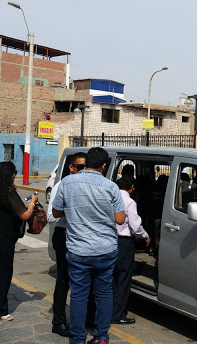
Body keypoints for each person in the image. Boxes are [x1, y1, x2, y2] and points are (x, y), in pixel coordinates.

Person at [52, 147, 125, 344]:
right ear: (103, 165)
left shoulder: (67, 182)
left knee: (79, 296)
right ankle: (101, 336)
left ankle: (77, 338)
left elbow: (56, 212)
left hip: (79, 250)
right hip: (106, 249)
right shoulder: (111, 187)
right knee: (103, 295)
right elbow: (120, 219)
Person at [0, 161, 37, 321]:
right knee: (3, 274)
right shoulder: (9, 191)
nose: (15, 175)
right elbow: (24, 214)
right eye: (14, 172)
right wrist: (32, 202)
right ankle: (1, 311)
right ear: (8, 175)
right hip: (4, 238)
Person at [47, 152, 93, 337]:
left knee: (85, 281)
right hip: (65, 235)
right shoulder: (62, 185)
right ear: (72, 168)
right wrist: (74, 211)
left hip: (84, 237)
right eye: (80, 167)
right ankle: (58, 322)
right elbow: (51, 216)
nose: (84, 171)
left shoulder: (90, 184)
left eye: (86, 167)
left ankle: (86, 319)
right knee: (64, 281)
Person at [112, 176, 151, 324]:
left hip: (110, 240)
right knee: (123, 279)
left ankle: (107, 310)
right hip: (124, 243)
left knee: (111, 278)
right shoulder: (130, 202)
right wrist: (146, 237)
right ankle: (118, 314)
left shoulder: (111, 198)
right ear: (132, 188)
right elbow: (135, 226)